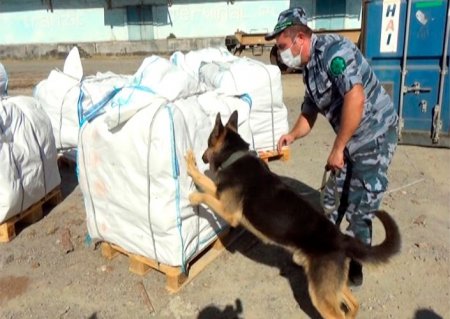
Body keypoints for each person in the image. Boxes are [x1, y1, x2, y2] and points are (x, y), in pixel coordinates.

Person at [266, 7, 398, 286]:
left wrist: (338, 148)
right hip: (349, 138)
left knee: (360, 207)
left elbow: (356, 99)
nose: (280, 53)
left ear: (299, 38)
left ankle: (356, 266)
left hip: (374, 133)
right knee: (331, 201)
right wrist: (292, 135)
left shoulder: (335, 53)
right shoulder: (308, 71)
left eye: (282, 46)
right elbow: (308, 114)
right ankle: (327, 250)